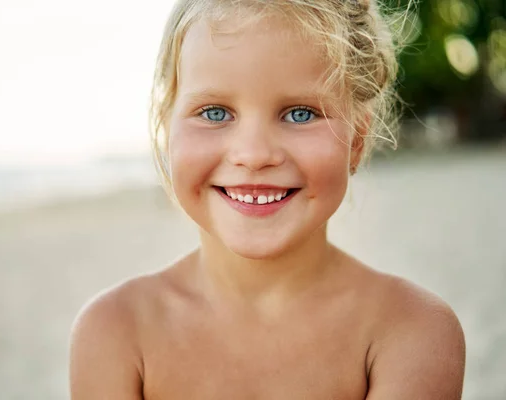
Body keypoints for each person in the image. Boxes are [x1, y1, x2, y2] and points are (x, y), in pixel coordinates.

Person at [69, 0, 466, 398]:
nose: (255, 154)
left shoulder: (411, 331)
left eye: (300, 114)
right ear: (165, 127)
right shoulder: (114, 333)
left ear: (357, 141)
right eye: (213, 113)